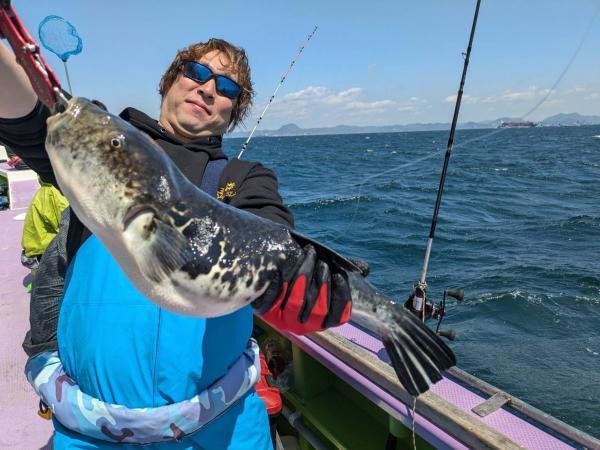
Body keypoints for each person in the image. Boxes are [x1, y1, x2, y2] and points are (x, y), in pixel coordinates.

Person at [0, 37, 355, 449]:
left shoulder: (244, 178)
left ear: (233, 110)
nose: (208, 89)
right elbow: (28, 118)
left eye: (227, 88)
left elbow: (271, 231)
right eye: (197, 72)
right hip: (88, 430)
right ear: (170, 79)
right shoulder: (101, 146)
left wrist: (298, 278)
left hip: (221, 430)